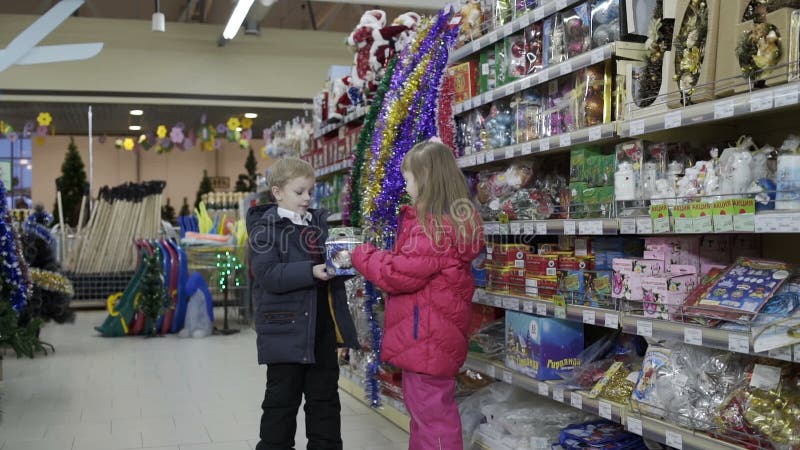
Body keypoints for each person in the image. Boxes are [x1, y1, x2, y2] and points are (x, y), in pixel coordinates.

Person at [351, 140, 484, 449]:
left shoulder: (433, 228)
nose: (405, 185)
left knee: (432, 418)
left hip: (426, 339)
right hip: (430, 338)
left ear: (425, 178)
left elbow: (397, 274)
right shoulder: (449, 223)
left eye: (408, 178)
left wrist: (361, 254)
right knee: (427, 415)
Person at [247, 157, 358, 450]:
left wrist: (342, 268)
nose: (308, 198)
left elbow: (328, 274)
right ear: (277, 192)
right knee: (280, 408)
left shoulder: (318, 226)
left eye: (311, 191)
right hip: (285, 332)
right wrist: (310, 272)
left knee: (325, 405)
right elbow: (267, 274)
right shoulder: (265, 230)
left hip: (321, 331)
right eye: (300, 192)